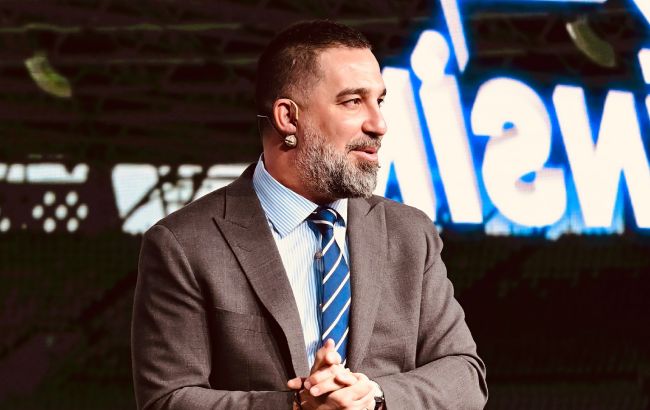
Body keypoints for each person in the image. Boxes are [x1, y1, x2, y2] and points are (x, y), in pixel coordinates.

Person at [132, 20, 487, 410]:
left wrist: (375, 396)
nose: (379, 124)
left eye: (379, 101)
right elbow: (168, 399)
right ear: (288, 117)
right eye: (353, 101)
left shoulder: (410, 234)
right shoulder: (184, 244)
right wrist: (297, 406)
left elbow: (465, 375)